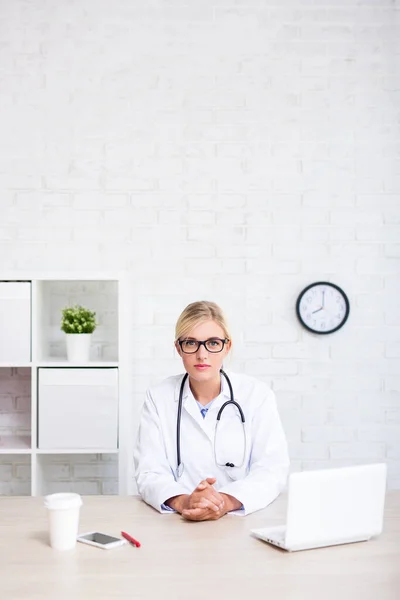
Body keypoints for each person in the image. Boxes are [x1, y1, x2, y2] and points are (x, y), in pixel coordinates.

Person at [134, 301, 289, 521]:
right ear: (178, 348)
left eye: (213, 343)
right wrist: (184, 501)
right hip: (177, 523)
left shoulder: (257, 395)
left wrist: (224, 502)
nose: (202, 354)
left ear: (227, 346)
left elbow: (272, 469)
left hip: (240, 522)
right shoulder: (159, 398)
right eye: (191, 343)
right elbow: (149, 473)